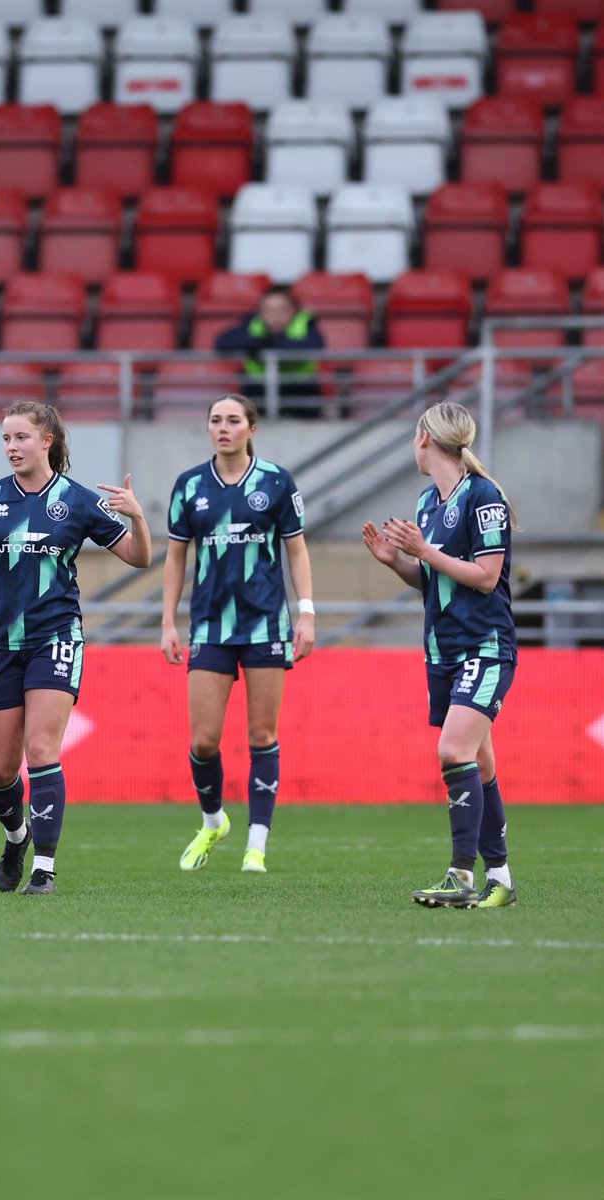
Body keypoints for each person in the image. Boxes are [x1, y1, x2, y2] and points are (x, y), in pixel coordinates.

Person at [0, 400, 151, 895]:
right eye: (5, 438)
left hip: (56, 637)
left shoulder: (78, 501)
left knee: (41, 749)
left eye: (21, 437)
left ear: (47, 441)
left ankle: (44, 868)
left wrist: (137, 518)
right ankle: (16, 836)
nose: (11, 447)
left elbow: (138, 557)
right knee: (0, 773)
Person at [363, 401, 518, 910]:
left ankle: (460, 874)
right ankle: (501, 880)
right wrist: (397, 562)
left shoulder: (484, 496)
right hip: (444, 650)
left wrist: (424, 551)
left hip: (485, 646)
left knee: (453, 750)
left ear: (425, 439)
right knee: (481, 763)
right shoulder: (428, 501)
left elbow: (486, 576)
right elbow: (434, 578)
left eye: (414, 436)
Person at [160, 392, 316, 874]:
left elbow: (296, 550)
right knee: (203, 742)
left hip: (266, 624)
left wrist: (307, 613)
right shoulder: (189, 486)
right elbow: (176, 557)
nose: (223, 428)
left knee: (262, 734)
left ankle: (257, 846)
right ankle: (214, 821)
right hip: (210, 626)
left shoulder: (276, 481)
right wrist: (167, 621)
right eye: (215, 420)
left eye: (232, 420)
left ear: (252, 429)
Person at [214, 285, 325, 416]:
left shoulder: (306, 323)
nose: (275, 316)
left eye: (281, 310)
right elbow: (222, 342)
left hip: (300, 391)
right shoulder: (251, 323)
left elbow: (314, 345)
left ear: (293, 310)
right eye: (269, 310)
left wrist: (269, 343)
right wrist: (258, 341)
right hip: (258, 390)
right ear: (260, 312)